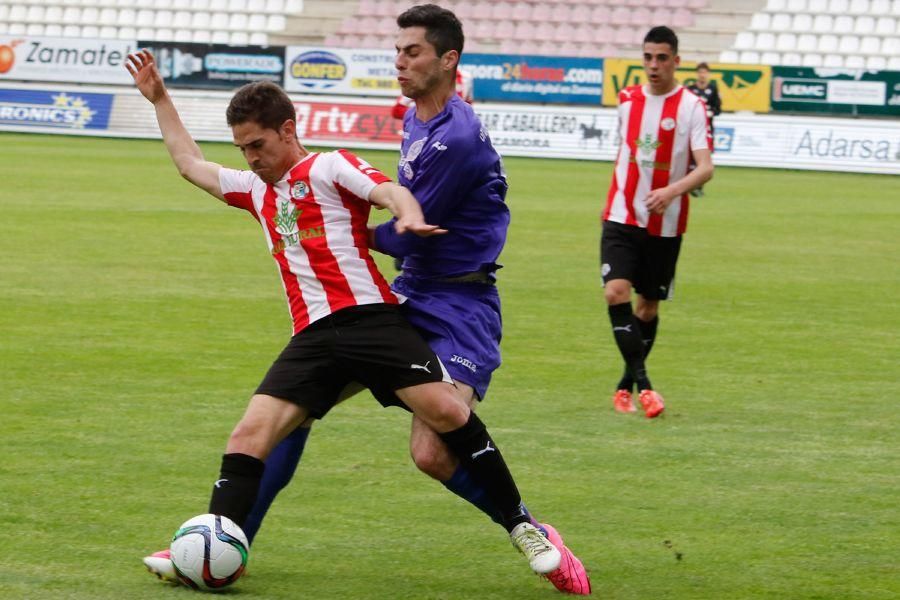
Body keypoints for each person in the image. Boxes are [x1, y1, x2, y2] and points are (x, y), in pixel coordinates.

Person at [143, 4, 591, 595]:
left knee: (434, 445)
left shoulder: (440, 141)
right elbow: (190, 164)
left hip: (452, 304)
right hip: (390, 299)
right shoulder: (401, 126)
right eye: (397, 50)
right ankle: (219, 543)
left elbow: (391, 196)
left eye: (411, 52)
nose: (398, 61)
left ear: (447, 60)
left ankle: (528, 527)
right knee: (271, 427)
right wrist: (159, 100)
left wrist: (399, 220)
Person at [600, 26, 714, 418]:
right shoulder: (627, 100)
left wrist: (671, 191)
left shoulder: (692, 108)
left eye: (662, 58)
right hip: (621, 214)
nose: (653, 65)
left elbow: (706, 168)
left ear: (676, 61)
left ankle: (624, 387)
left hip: (665, 224)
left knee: (648, 307)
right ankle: (645, 386)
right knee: (615, 292)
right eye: (647, 57)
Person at [686, 62, 721, 197]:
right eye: (700, 72)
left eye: (705, 72)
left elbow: (718, 109)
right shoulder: (690, 89)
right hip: (692, 129)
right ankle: (689, 185)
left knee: (704, 158)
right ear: (697, 74)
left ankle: (699, 186)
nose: (702, 75)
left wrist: (711, 112)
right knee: (691, 158)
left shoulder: (713, 89)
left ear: (708, 74)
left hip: (707, 130)